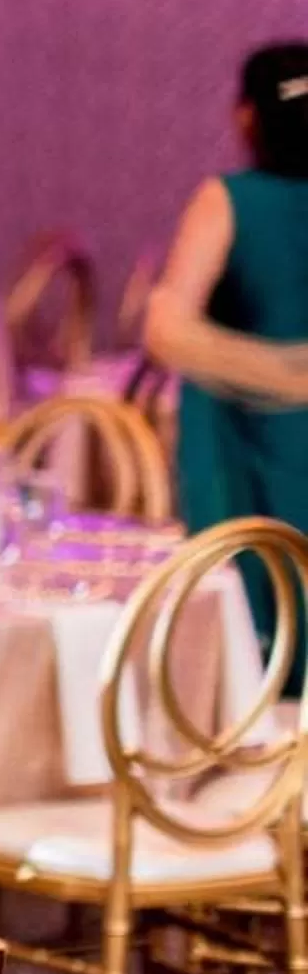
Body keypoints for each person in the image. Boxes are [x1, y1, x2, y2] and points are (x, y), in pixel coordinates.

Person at [145, 43, 308, 676]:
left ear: (245, 116)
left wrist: (270, 375)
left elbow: (167, 330)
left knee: (262, 601)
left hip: (257, 454)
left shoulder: (229, 200)